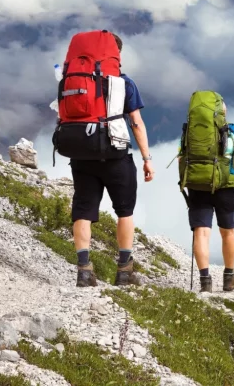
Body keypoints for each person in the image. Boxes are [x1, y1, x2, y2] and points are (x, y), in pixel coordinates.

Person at [70, 33, 155, 287]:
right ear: (116, 54)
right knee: (124, 210)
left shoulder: (73, 79)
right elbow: (136, 123)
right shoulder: (124, 82)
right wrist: (147, 158)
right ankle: (124, 271)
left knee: (83, 211)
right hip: (116, 154)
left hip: (82, 153)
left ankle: (84, 271)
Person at [190, 101, 234, 293]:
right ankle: (228, 278)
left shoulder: (191, 130)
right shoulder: (232, 130)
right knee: (228, 232)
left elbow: (181, 158)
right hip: (225, 187)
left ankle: (205, 282)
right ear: (223, 113)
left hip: (198, 186)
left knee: (201, 232)